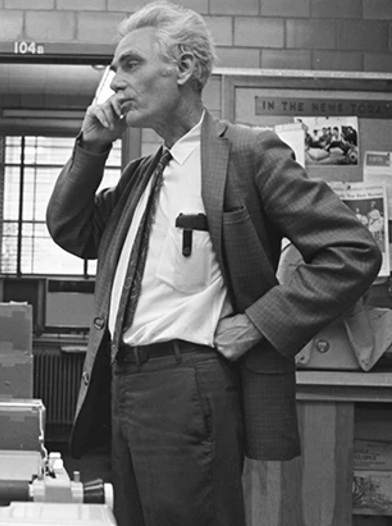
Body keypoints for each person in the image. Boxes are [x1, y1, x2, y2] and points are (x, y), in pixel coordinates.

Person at [45, 2, 381, 525]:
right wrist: (91, 147)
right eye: (113, 70)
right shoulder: (140, 174)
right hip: (120, 382)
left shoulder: (248, 154)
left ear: (182, 69)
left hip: (190, 385)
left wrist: (258, 323)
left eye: (130, 64)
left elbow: (352, 251)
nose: (114, 81)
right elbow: (71, 230)